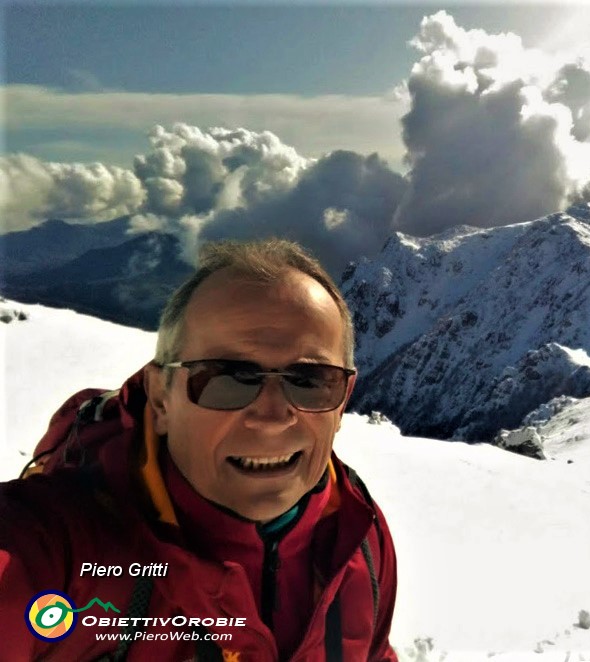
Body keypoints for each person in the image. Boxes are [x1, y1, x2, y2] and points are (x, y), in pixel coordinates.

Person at [0, 239, 398, 661]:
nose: (272, 415)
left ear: (343, 400)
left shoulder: (359, 537)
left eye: (311, 380)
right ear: (160, 398)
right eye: (227, 378)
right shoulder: (61, 548)